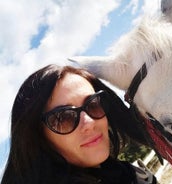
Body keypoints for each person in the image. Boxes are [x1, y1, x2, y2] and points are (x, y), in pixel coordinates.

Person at [1, 64, 157, 184]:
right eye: (64, 118)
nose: (89, 122)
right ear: (39, 137)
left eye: (93, 104)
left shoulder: (132, 174)